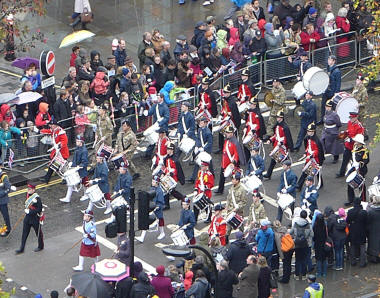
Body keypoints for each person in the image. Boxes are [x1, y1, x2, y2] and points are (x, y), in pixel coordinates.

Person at [215, 125, 245, 194]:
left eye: (228, 133)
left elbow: (236, 154)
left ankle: (238, 190)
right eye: (226, 132)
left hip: (231, 163)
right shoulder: (227, 141)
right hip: (225, 162)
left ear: (232, 133)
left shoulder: (235, 143)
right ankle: (220, 190)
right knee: (222, 177)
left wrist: (233, 163)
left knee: (234, 178)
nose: (226, 134)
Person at [263, 110, 293, 179]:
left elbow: (286, 137)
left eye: (278, 117)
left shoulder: (285, 127)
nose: (277, 118)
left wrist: (282, 143)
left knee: (285, 161)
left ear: (281, 118)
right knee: (273, 160)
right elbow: (276, 135)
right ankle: (268, 174)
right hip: (277, 145)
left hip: (282, 146)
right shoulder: (277, 126)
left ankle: (289, 174)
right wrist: (270, 140)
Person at [15, 182, 44, 254]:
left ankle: (41, 246)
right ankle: (22, 248)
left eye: (30, 189)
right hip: (27, 218)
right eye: (28, 188)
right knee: (24, 233)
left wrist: (29, 212)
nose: (28, 190)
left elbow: (39, 209)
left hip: (35, 218)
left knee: (38, 233)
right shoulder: (28, 195)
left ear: (33, 190)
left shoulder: (37, 198)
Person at [136, 175, 166, 243]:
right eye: (152, 181)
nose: (152, 182)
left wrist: (157, 207)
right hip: (151, 207)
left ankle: (162, 233)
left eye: (154, 181)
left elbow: (161, 202)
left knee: (160, 221)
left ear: (157, 183)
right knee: (146, 221)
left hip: (157, 209)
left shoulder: (160, 191)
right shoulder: (152, 188)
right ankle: (142, 237)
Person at [60, 136, 89, 203]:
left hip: (81, 170)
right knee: (71, 183)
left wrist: (79, 166)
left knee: (85, 183)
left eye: (78, 141)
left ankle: (86, 195)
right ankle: (68, 198)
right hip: (76, 169)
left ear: (81, 142)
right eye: (76, 141)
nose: (76, 142)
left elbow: (85, 162)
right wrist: (72, 164)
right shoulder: (78, 148)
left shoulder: (84, 151)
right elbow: (75, 159)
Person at [39, 120, 69, 184]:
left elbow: (64, 142)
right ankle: (46, 178)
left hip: (62, 153)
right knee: (52, 166)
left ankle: (66, 179)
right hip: (57, 153)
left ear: (55, 125)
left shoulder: (61, 132)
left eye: (51, 124)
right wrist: (38, 131)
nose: (50, 126)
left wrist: (59, 145)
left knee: (62, 168)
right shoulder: (54, 131)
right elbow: (48, 131)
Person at [336, 111, 365, 178]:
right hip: (348, 146)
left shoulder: (359, 126)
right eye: (350, 117)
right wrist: (345, 133)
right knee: (345, 159)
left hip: (355, 147)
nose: (351, 119)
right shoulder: (349, 123)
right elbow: (349, 131)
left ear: (356, 117)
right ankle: (341, 173)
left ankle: (360, 172)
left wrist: (351, 140)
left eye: (352, 117)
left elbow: (360, 138)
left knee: (357, 161)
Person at [297, 122, 325, 189]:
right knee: (305, 171)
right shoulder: (308, 138)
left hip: (315, 159)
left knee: (316, 171)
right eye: (308, 131)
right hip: (309, 157)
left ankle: (320, 183)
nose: (308, 132)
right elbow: (308, 147)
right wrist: (305, 152)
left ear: (313, 132)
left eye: (309, 131)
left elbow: (317, 150)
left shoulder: (317, 141)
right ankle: (299, 185)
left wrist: (312, 155)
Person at [345, 134, 369, 205]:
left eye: (356, 141)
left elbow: (366, 160)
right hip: (353, 167)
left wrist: (359, 166)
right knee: (350, 183)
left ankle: (363, 200)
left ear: (359, 142)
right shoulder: (355, 147)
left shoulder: (364, 150)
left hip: (360, 169)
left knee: (361, 185)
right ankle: (351, 199)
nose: (355, 142)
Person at [188, 117, 214, 183]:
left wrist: (204, 148)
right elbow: (198, 139)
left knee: (208, 162)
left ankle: (212, 175)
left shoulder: (208, 132)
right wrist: (197, 146)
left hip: (206, 149)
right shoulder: (199, 130)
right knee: (198, 162)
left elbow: (210, 142)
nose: (200, 124)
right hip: (201, 148)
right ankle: (193, 178)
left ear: (205, 123)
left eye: (202, 123)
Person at [289, 210, 313, 280]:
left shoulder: (296, 224)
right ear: (306, 216)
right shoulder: (308, 225)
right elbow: (312, 234)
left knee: (297, 259)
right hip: (305, 244)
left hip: (297, 244)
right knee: (304, 260)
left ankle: (296, 275)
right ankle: (303, 275)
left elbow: (291, 232)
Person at [145, 93, 170, 158]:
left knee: (165, 141)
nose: (157, 99)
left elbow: (166, 117)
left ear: (162, 98)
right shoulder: (155, 106)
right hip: (156, 126)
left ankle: (167, 153)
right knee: (153, 140)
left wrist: (160, 123)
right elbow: (150, 112)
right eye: (157, 97)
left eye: (159, 98)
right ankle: (148, 154)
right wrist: (147, 113)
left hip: (163, 127)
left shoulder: (165, 107)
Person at [161, 142, 185, 208]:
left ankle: (182, 198)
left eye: (169, 149)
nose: (167, 151)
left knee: (171, 191)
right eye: (167, 149)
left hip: (173, 177)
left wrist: (171, 173)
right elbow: (166, 167)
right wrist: (163, 173)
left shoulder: (175, 160)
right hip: (168, 176)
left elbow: (176, 170)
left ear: (172, 150)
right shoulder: (166, 158)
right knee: (166, 189)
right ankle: (167, 204)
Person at [318, 55, 341, 124]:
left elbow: (338, 83)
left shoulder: (337, 71)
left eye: (330, 60)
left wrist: (336, 93)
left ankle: (331, 120)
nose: (328, 61)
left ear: (333, 61)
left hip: (332, 91)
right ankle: (322, 119)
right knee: (323, 105)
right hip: (326, 90)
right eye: (328, 59)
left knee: (331, 107)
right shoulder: (328, 68)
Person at [225, 172, 248, 238]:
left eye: (233, 179)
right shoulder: (232, 188)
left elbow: (244, 202)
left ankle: (242, 237)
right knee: (228, 226)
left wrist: (237, 207)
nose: (232, 180)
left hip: (238, 211)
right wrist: (227, 205)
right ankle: (226, 237)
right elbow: (229, 198)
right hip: (230, 210)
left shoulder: (242, 189)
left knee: (240, 225)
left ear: (237, 180)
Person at [347, 196, 368, 267]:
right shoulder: (364, 212)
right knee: (362, 246)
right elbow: (366, 222)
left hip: (353, 230)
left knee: (352, 245)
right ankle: (362, 262)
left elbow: (347, 221)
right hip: (362, 231)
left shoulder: (350, 212)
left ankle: (353, 261)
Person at [321, 99, 344, 163]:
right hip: (325, 131)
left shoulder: (334, 115)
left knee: (334, 145)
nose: (327, 108)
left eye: (329, 107)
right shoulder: (326, 113)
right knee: (322, 142)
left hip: (332, 132)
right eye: (326, 106)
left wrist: (333, 130)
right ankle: (322, 156)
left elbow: (339, 124)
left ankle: (335, 157)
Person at [366, 195, 380, 263]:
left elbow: (367, 221)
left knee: (373, 244)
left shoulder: (371, 211)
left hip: (372, 230)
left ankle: (374, 258)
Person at [0, 159, 12, 236]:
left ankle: (8, 229)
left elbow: (8, 188)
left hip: (2, 200)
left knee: (5, 216)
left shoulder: (4, 176)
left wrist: (1, 193)